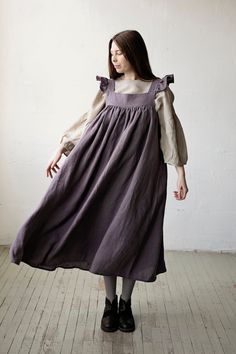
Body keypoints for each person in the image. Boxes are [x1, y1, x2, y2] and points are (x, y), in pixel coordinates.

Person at [9, 29, 188, 333]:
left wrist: (180, 174)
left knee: (132, 237)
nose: (114, 58)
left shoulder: (157, 90)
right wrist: (62, 147)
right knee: (107, 236)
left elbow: (170, 134)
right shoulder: (109, 89)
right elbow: (88, 122)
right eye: (111, 53)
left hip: (142, 177)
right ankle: (109, 302)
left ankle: (126, 304)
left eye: (119, 52)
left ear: (135, 52)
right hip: (107, 174)